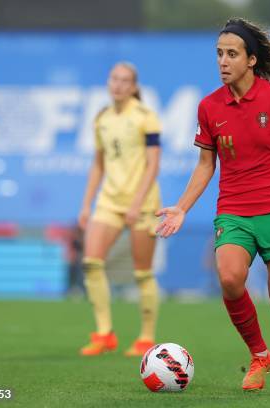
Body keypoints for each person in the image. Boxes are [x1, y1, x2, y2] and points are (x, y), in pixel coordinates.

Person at [156, 18, 270, 393]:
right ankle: (260, 355)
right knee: (228, 278)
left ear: (251, 60)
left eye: (231, 54)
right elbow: (206, 164)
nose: (223, 61)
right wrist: (181, 207)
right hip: (234, 210)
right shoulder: (209, 107)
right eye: (219, 54)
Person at [78, 62, 162, 357]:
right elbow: (98, 163)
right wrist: (86, 204)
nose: (118, 85)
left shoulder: (145, 117)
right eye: (114, 79)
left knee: (142, 273)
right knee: (91, 263)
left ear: (134, 87)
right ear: (108, 82)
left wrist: (138, 203)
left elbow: (153, 164)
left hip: (143, 202)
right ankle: (104, 333)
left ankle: (146, 338)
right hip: (110, 201)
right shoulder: (101, 118)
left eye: (125, 81)